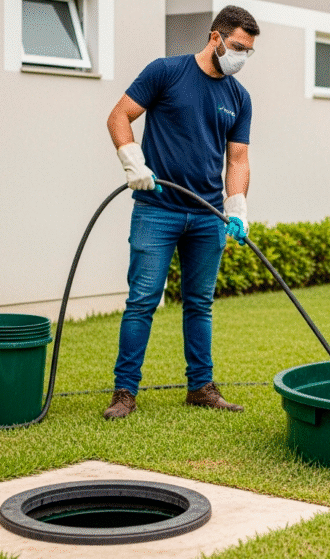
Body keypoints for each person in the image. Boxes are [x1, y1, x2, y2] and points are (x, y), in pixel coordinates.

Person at [102, 6, 259, 419]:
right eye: (238, 47)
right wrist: (133, 162)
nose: (242, 57)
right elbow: (119, 116)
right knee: (142, 301)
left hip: (208, 216)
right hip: (157, 210)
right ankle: (124, 393)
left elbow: (237, 158)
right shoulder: (166, 72)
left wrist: (237, 207)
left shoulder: (238, 97)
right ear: (216, 37)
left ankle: (201, 388)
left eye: (249, 51)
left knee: (199, 304)